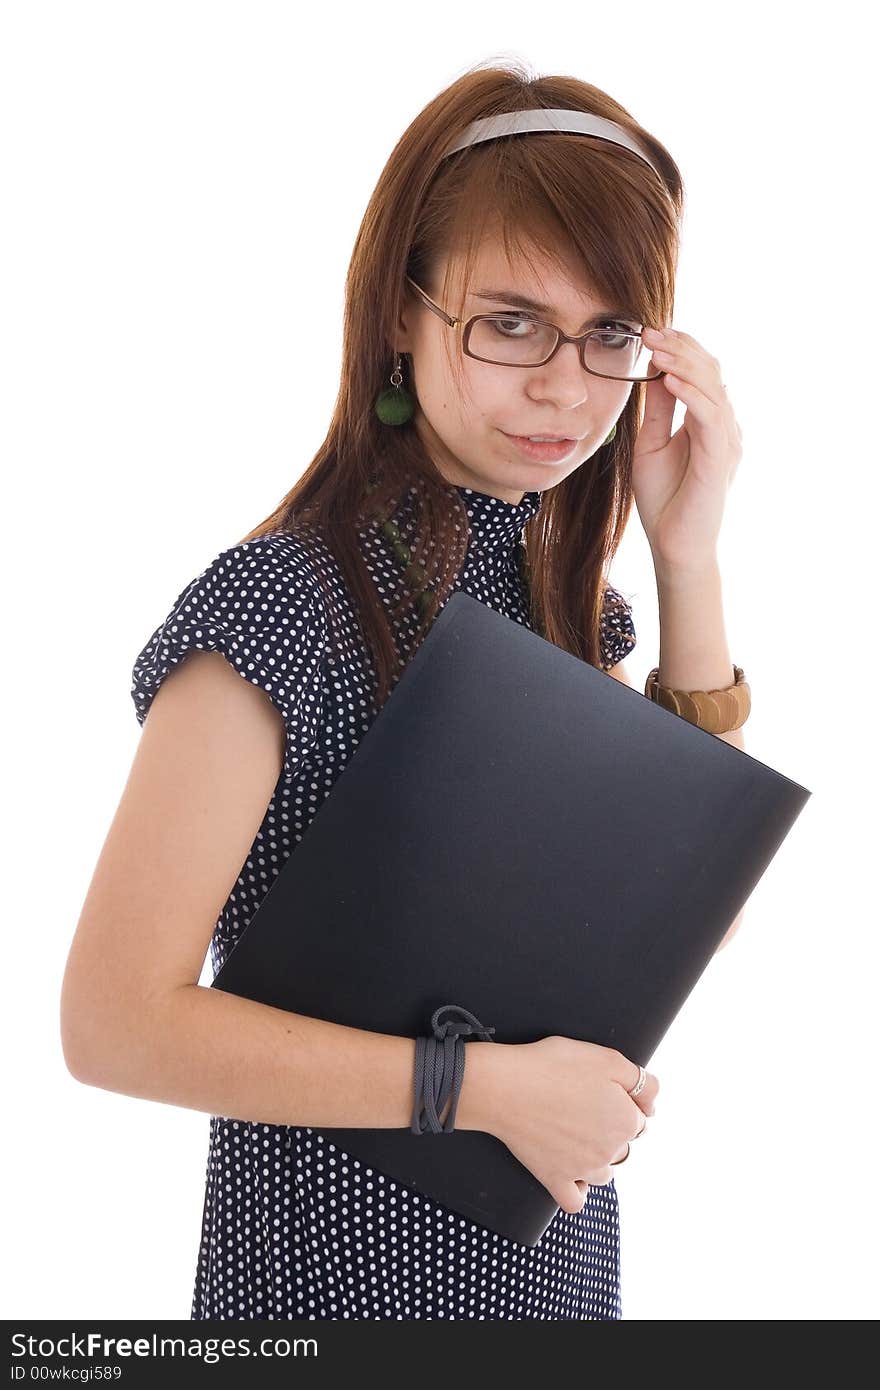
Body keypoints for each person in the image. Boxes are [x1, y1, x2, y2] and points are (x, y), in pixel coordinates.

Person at [60, 62, 749, 1321]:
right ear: (401, 313)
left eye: (609, 334)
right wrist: (479, 1091)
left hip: (550, 1285)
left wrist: (685, 557)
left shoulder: (571, 613)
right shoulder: (280, 605)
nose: (563, 386)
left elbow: (685, 939)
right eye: (510, 322)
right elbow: (111, 1023)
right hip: (329, 1288)